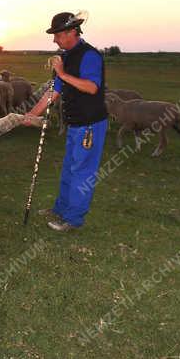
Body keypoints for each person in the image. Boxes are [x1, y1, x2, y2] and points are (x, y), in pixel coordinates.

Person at [23, 12, 108, 232]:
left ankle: (73, 219)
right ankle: (60, 209)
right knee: (70, 168)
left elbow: (91, 87)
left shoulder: (89, 56)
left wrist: (61, 72)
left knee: (82, 171)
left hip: (90, 124)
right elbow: (54, 92)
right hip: (75, 123)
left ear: (72, 32)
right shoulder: (67, 56)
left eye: (58, 35)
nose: (54, 40)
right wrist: (31, 114)